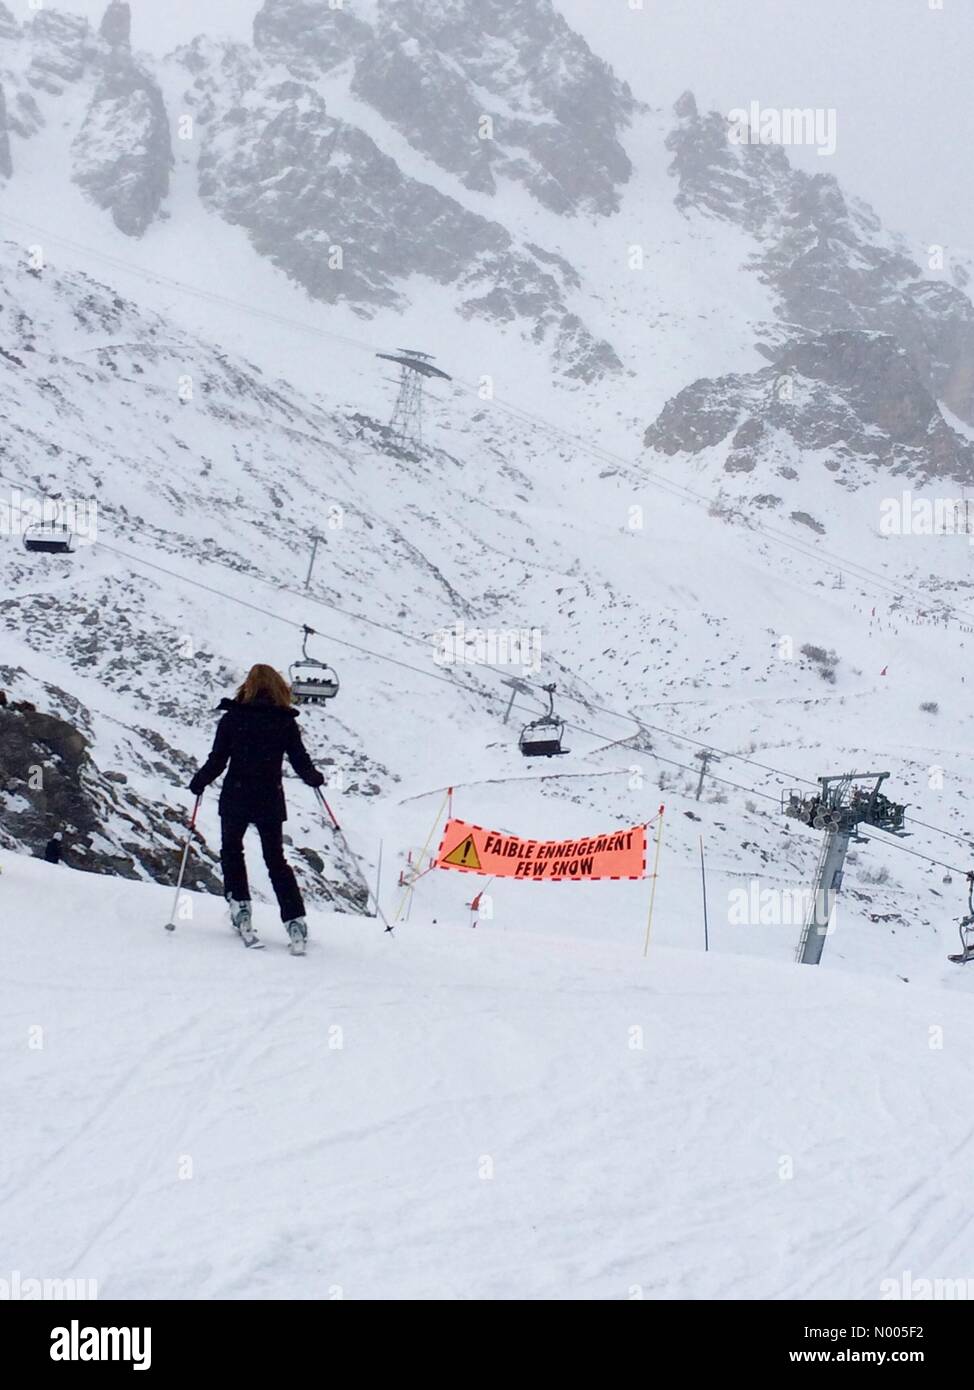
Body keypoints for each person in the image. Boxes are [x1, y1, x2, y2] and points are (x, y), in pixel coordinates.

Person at [188, 664, 325, 953]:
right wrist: (314, 778)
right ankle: (294, 922)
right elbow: (300, 760)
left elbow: (218, 760)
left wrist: (199, 782)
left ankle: (241, 910)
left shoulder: (233, 719)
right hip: (269, 798)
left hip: (236, 795)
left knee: (232, 852)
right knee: (276, 860)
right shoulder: (284, 721)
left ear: (248, 686)